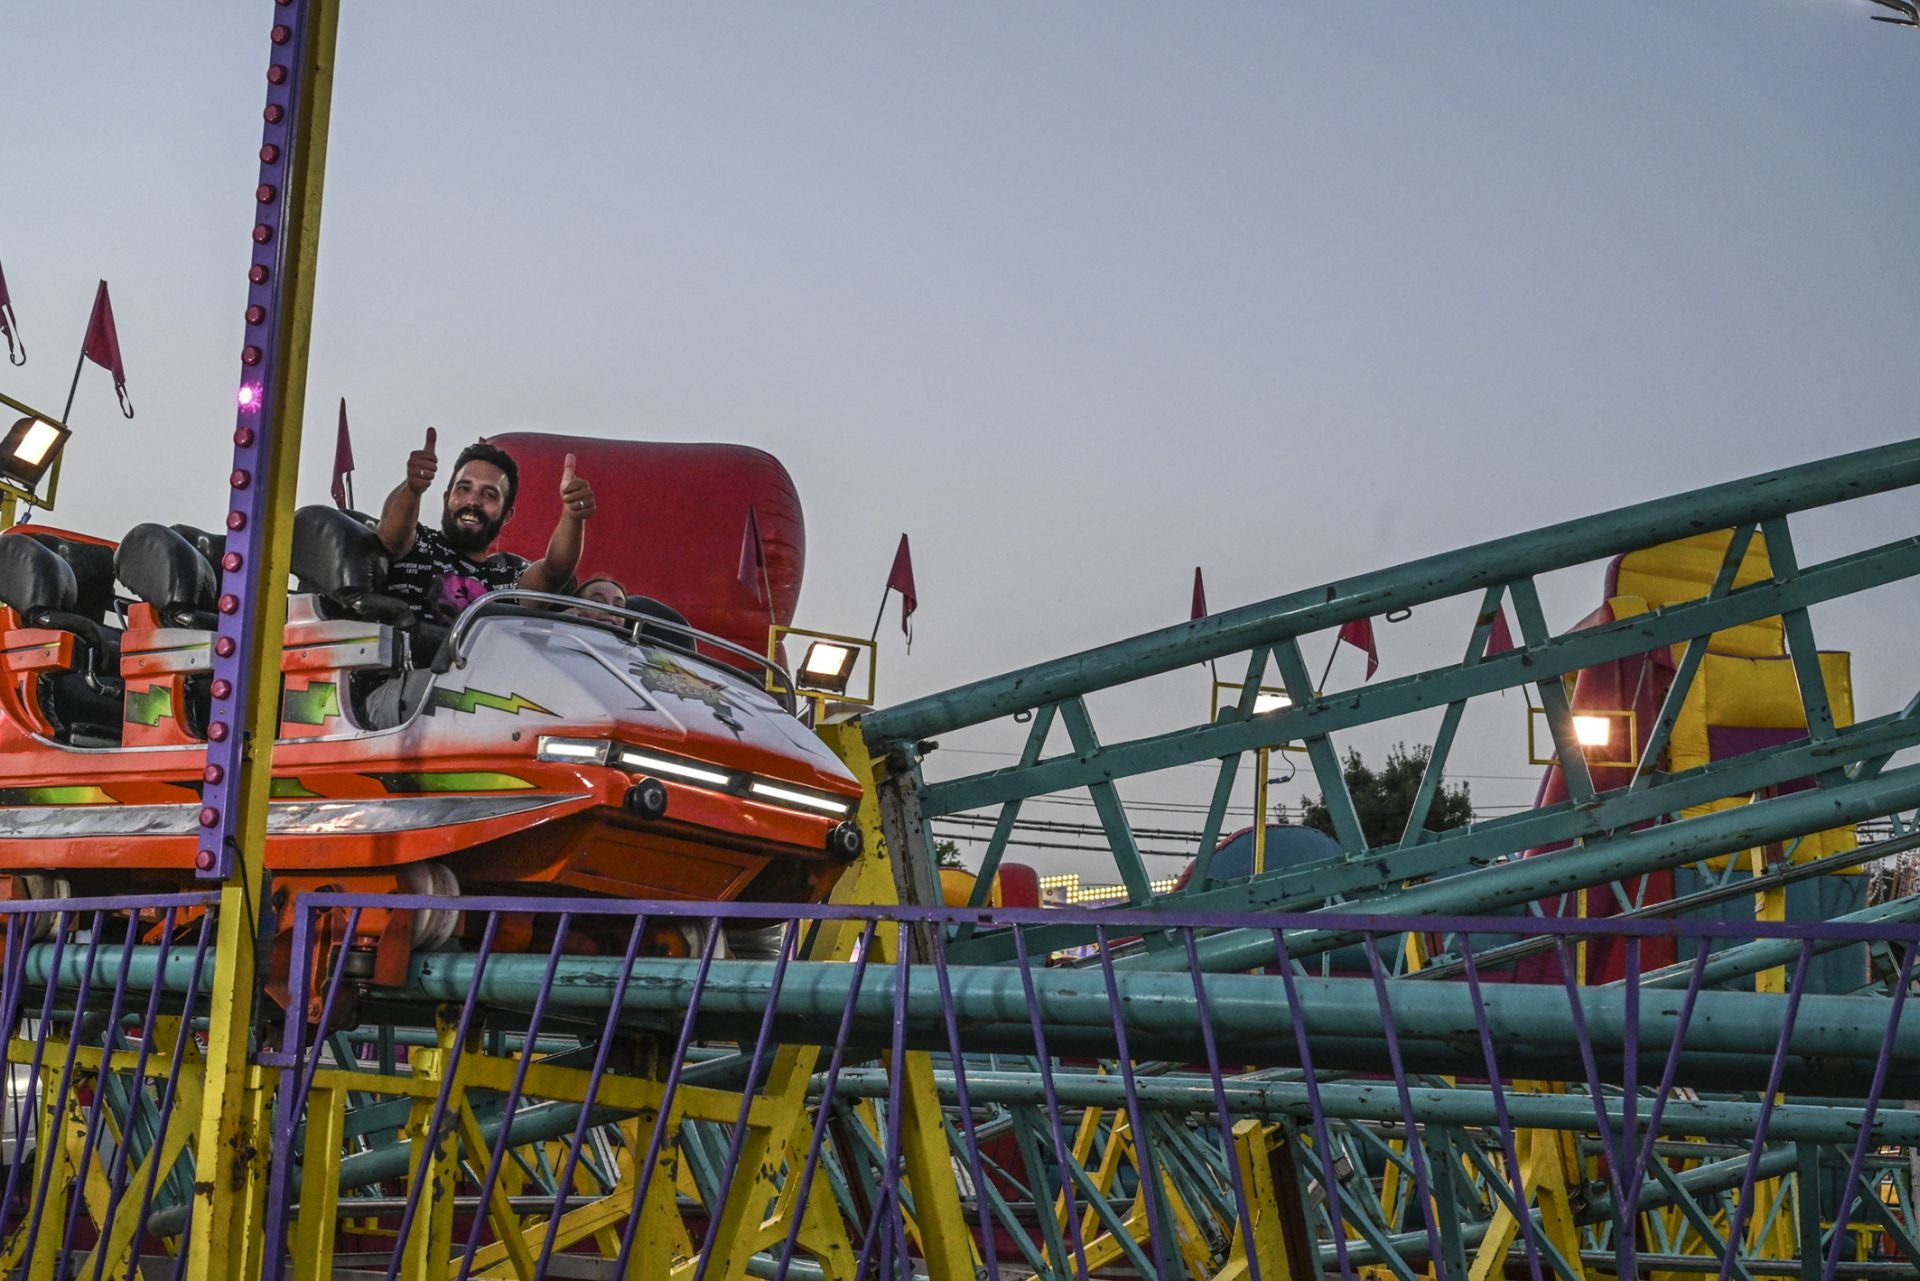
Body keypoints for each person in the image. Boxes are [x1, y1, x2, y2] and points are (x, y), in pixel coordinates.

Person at [376, 428, 596, 627]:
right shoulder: (418, 544)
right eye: (463, 489)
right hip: (409, 669)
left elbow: (555, 571)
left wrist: (573, 515)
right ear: (446, 498)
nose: (472, 501)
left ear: (507, 515)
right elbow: (390, 536)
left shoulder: (508, 576)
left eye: (489, 494)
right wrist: (412, 488)